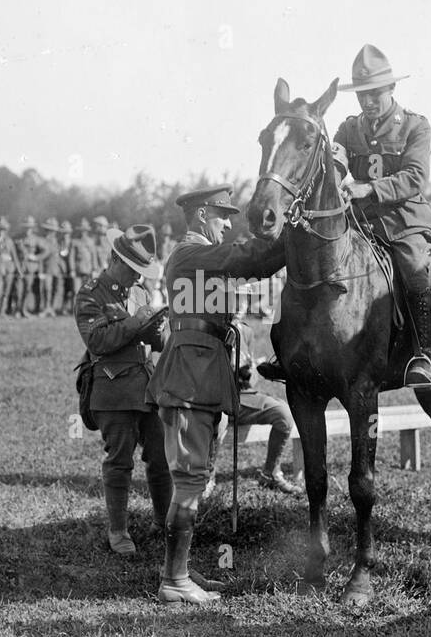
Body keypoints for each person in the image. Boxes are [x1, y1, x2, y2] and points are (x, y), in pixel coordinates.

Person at [147, 184, 286, 604]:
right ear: (203, 215)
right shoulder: (191, 252)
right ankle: (174, 582)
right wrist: (289, 235)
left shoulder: (202, 259)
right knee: (190, 481)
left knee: (196, 476)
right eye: (224, 216)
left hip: (203, 375)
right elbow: (248, 259)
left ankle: (180, 570)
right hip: (190, 378)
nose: (229, 224)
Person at [333, 44, 431, 387]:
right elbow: (335, 163)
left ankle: (422, 354)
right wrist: (333, 182)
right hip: (359, 222)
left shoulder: (414, 126)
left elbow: (415, 178)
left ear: (391, 89)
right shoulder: (348, 129)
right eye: (362, 95)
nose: (367, 101)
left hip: (403, 220)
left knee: (411, 267)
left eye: (375, 94)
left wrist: (369, 189)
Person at [75, 225, 172, 554]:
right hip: (113, 391)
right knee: (119, 461)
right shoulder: (91, 294)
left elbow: (155, 343)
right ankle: (118, 531)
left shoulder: (141, 292)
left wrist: (157, 329)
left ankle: (164, 521)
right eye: (133, 270)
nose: (137, 278)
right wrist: (136, 323)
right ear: (115, 259)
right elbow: (98, 341)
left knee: (160, 457)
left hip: (148, 388)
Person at [224, 284, 301, 494]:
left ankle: (270, 473)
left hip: (245, 397)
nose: (241, 304)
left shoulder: (246, 331)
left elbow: (252, 379)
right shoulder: (217, 329)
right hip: (221, 398)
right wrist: (232, 371)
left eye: (246, 299)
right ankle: (208, 479)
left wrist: (252, 371)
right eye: (236, 298)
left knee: (284, 414)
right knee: (215, 424)